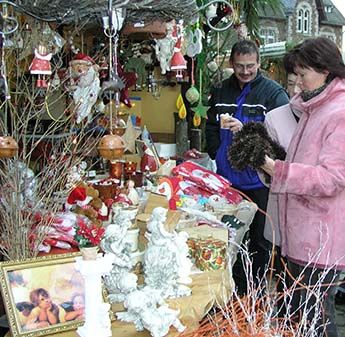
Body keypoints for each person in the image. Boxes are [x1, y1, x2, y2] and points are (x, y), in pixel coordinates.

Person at [261, 37, 345, 337]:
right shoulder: (313, 107)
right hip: (300, 237)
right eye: (293, 76)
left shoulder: (339, 112)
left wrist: (277, 169)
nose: (296, 85)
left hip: (320, 241)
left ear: (326, 70)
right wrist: (268, 166)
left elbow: (331, 178)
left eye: (302, 75)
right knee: (302, 318)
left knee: (317, 320)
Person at [205, 39, 289, 292]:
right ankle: (234, 288)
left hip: (260, 180)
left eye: (250, 66)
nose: (245, 71)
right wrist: (216, 151)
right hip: (229, 180)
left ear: (259, 63)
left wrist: (246, 130)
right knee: (231, 236)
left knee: (261, 239)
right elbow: (210, 125)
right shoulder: (221, 90)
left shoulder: (273, 93)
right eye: (240, 66)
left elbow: (281, 139)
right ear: (232, 63)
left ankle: (254, 291)